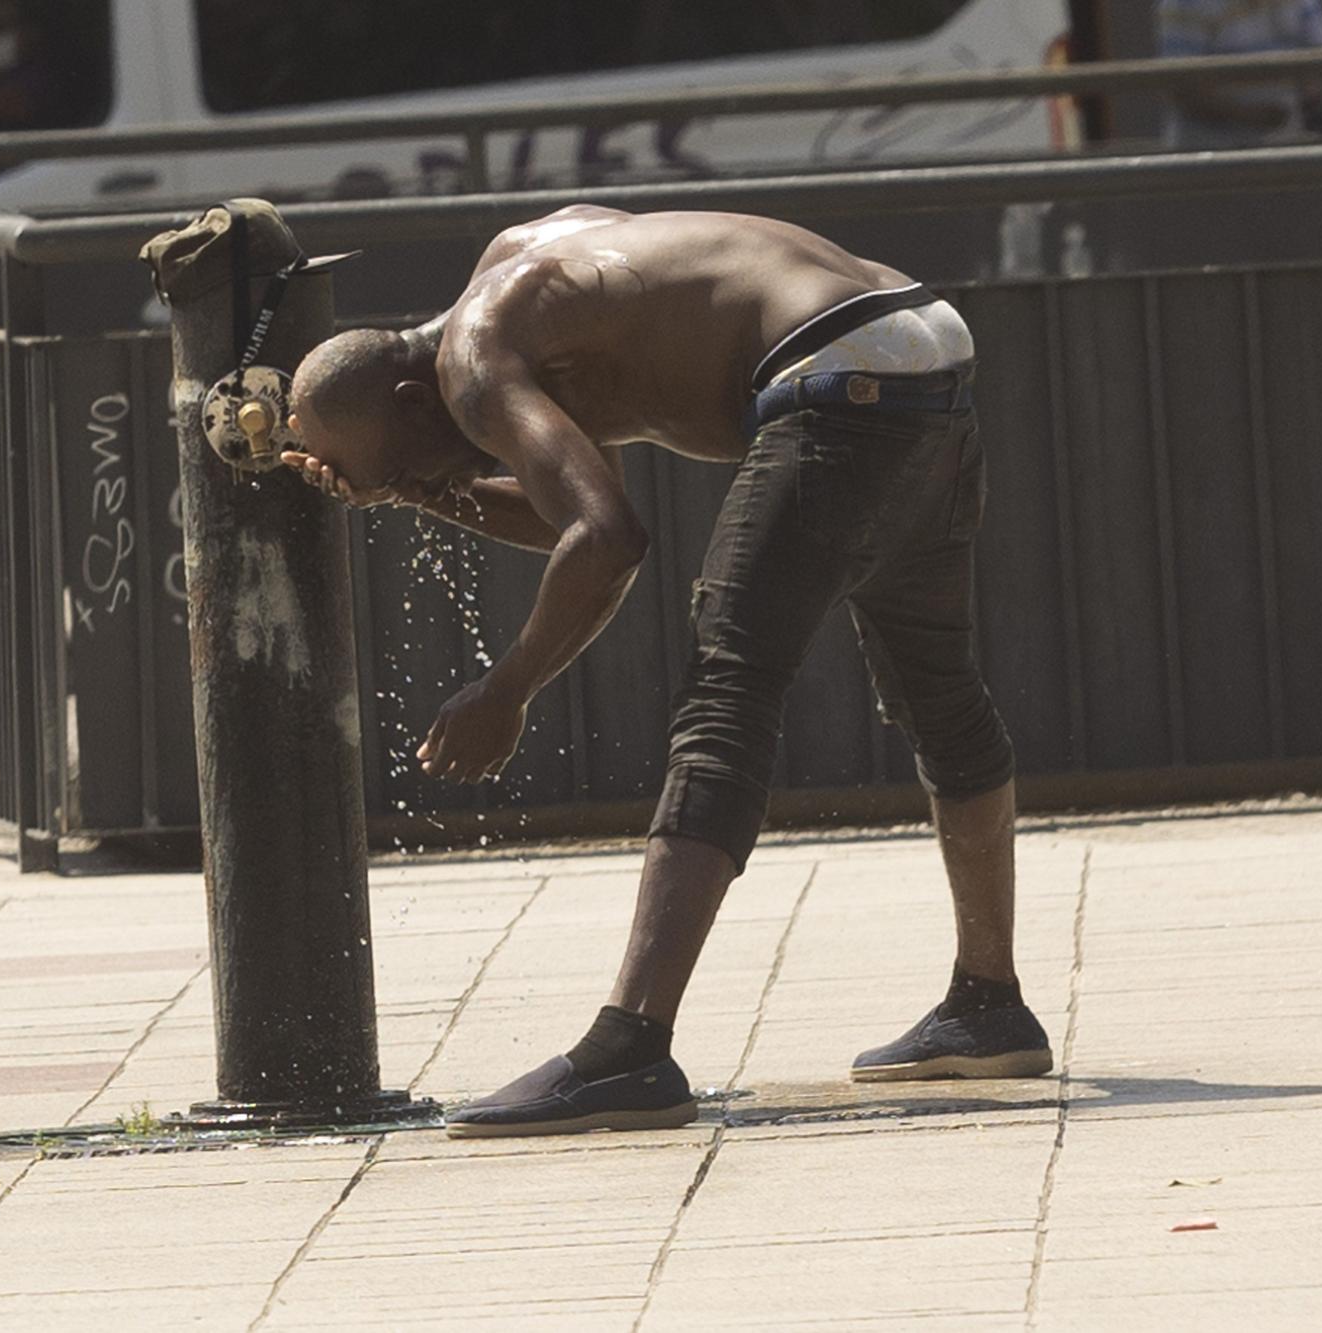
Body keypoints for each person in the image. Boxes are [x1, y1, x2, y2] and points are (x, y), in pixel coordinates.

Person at [280, 206, 1050, 1138]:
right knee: (938, 684)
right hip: (916, 338)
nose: (419, 473)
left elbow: (607, 540)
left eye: (400, 460)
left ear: (414, 402)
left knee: (727, 695)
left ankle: (631, 1047)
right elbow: (563, 512)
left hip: (835, 371)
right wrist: (410, 487)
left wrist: (505, 688)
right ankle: (988, 1001)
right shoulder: (520, 273)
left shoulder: (471, 364)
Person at [1157, 0, 1322, 148]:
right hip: (1209, 159)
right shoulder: (1186, 4)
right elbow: (1179, 87)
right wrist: (1250, 116)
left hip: (1283, 153)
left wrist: (1310, 90)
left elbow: (1318, 54)